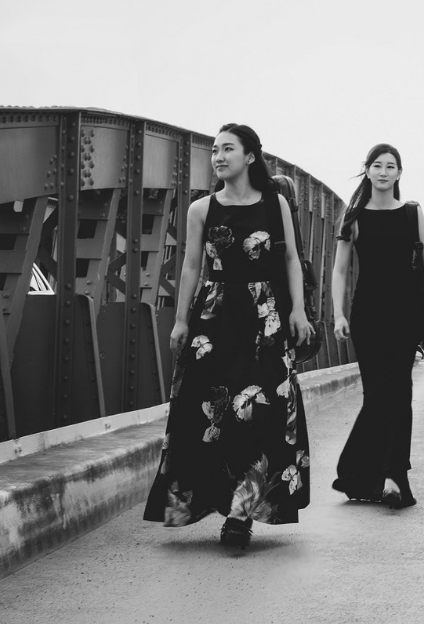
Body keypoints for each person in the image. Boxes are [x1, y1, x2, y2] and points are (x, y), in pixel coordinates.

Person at [143, 123, 315, 549]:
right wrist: (181, 320)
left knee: (264, 410)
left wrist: (298, 310)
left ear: (250, 156)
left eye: (227, 149)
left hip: (265, 317)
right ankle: (212, 500)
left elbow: (291, 259)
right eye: (215, 150)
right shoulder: (201, 209)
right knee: (209, 411)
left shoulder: (275, 203)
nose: (218, 157)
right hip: (215, 317)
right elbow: (190, 265)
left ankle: (241, 513)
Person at [330, 143, 424, 509]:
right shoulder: (354, 217)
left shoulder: (411, 213)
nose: (383, 171)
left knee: (400, 391)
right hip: (368, 314)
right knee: (377, 394)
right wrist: (338, 314)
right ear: (367, 170)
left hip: (406, 313)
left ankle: (394, 477)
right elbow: (340, 270)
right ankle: (361, 474)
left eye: (390, 166)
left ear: (399, 173)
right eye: (377, 165)